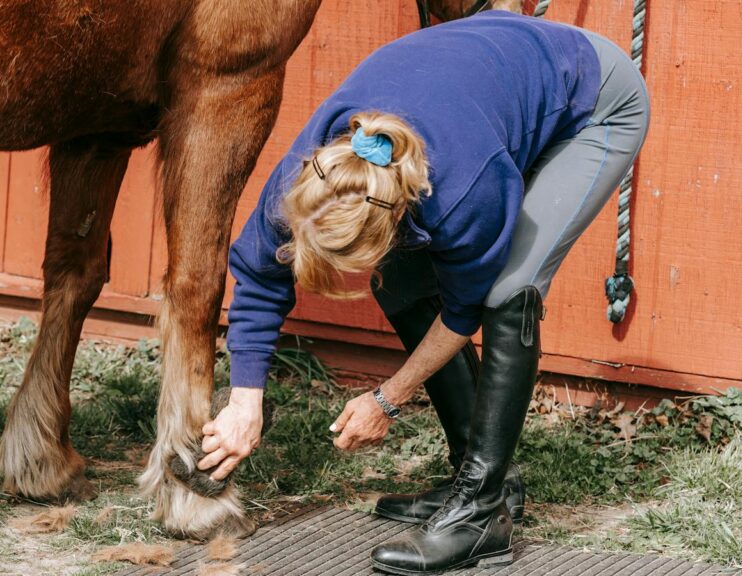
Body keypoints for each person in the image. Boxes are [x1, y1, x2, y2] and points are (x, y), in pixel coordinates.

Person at [197, 10, 649, 575]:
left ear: (395, 217)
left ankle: (481, 515)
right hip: (486, 82)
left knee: (510, 288)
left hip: (595, 101)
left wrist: (387, 398)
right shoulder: (312, 174)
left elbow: (464, 314)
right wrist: (245, 403)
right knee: (402, 277)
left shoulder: (463, 195)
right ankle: (478, 479)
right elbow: (262, 274)